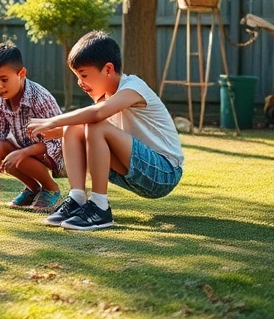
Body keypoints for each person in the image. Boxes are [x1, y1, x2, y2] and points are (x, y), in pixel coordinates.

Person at [28, 31, 184, 231]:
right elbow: (88, 122)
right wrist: (61, 130)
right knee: (77, 124)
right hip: (135, 170)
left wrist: (51, 121)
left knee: (93, 121)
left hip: (164, 172)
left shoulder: (133, 88)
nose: (80, 82)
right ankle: (77, 200)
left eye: (83, 75)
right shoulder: (105, 99)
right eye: (77, 76)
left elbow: (96, 115)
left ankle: (100, 207)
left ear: (108, 69)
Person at [0, 41, 64, 212]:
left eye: (4, 79)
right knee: (2, 148)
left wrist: (22, 153)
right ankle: (33, 189)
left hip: (57, 154)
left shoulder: (40, 98)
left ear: (21, 73)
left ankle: (51, 188)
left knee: (16, 156)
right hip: (28, 151)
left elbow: (58, 140)